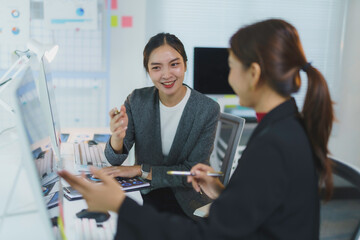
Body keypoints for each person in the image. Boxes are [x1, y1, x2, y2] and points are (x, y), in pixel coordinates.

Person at [58, 19, 334, 239]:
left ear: (253, 73)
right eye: (157, 68)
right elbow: (255, 208)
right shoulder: (284, 129)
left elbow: (211, 233)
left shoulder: (273, 144)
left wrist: (120, 204)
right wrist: (221, 190)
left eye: (231, 67)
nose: (228, 77)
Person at [100, 32, 220, 219]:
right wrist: (117, 137)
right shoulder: (137, 100)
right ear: (148, 71)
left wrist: (141, 170)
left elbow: (191, 174)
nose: (166, 75)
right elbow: (114, 161)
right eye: (156, 67)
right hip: (144, 194)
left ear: (185, 65)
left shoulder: (206, 109)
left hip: (186, 202)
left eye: (174, 64)